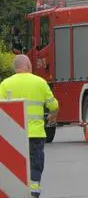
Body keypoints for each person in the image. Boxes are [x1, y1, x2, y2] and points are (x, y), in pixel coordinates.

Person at [0, 54, 59, 198]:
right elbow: (54, 105)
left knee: (13, 164)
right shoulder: (40, 82)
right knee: (35, 163)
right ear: (29, 66)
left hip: (12, 135)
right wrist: (52, 115)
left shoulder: (5, 84)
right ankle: (33, 191)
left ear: (15, 68)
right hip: (35, 133)